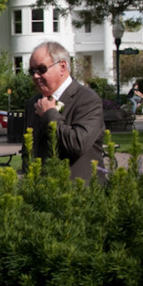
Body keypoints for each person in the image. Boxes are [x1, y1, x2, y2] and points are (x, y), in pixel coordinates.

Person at [21, 41, 105, 182]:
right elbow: (27, 150)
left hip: (78, 192)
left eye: (42, 69)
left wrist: (49, 115)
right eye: (32, 71)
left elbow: (77, 144)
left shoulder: (87, 99)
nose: (35, 76)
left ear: (62, 66)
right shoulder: (32, 103)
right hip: (41, 191)